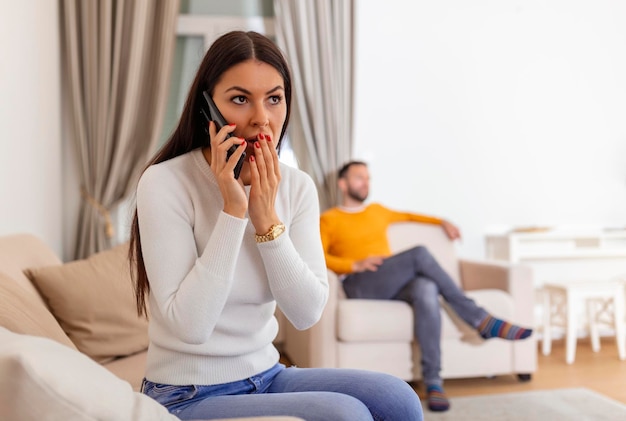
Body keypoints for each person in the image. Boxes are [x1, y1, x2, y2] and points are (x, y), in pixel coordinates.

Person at [128, 31, 423, 421]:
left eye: (274, 98)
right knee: (344, 415)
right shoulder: (165, 183)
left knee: (398, 398)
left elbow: (306, 312)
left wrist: (265, 218)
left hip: (267, 374)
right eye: (239, 99)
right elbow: (191, 327)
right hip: (186, 393)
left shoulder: (297, 187)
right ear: (208, 108)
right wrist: (234, 210)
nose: (261, 119)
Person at [320, 161, 533, 413]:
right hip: (360, 284)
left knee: (425, 287)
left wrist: (443, 221)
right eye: (358, 177)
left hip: (391, 281)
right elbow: (318, 257)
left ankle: (433, 381)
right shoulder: (328, 218)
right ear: (342, 184)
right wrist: (354, 264)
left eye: (368, 178)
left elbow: (411, 216)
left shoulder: (378, 211)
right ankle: (480, 319)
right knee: (419, 254)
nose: (365, 182)